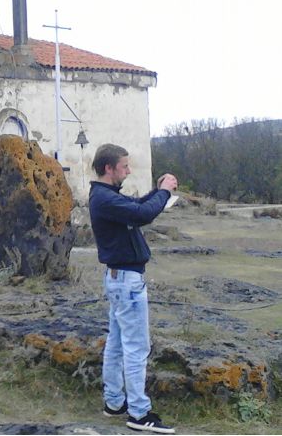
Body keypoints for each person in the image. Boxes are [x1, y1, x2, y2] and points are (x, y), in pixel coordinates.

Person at [89, 143, 178, 434]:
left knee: (116, 345)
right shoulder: (104, 199)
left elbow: (139, 208)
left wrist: (157, 191)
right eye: (124, 166)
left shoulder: (106, 197)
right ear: (109, 168)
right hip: (126, 282)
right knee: (137, 347)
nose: (128, 171)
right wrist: (164, 191)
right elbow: (142, 215)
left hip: (121, 280)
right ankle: (139, 413)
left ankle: (114, 402)